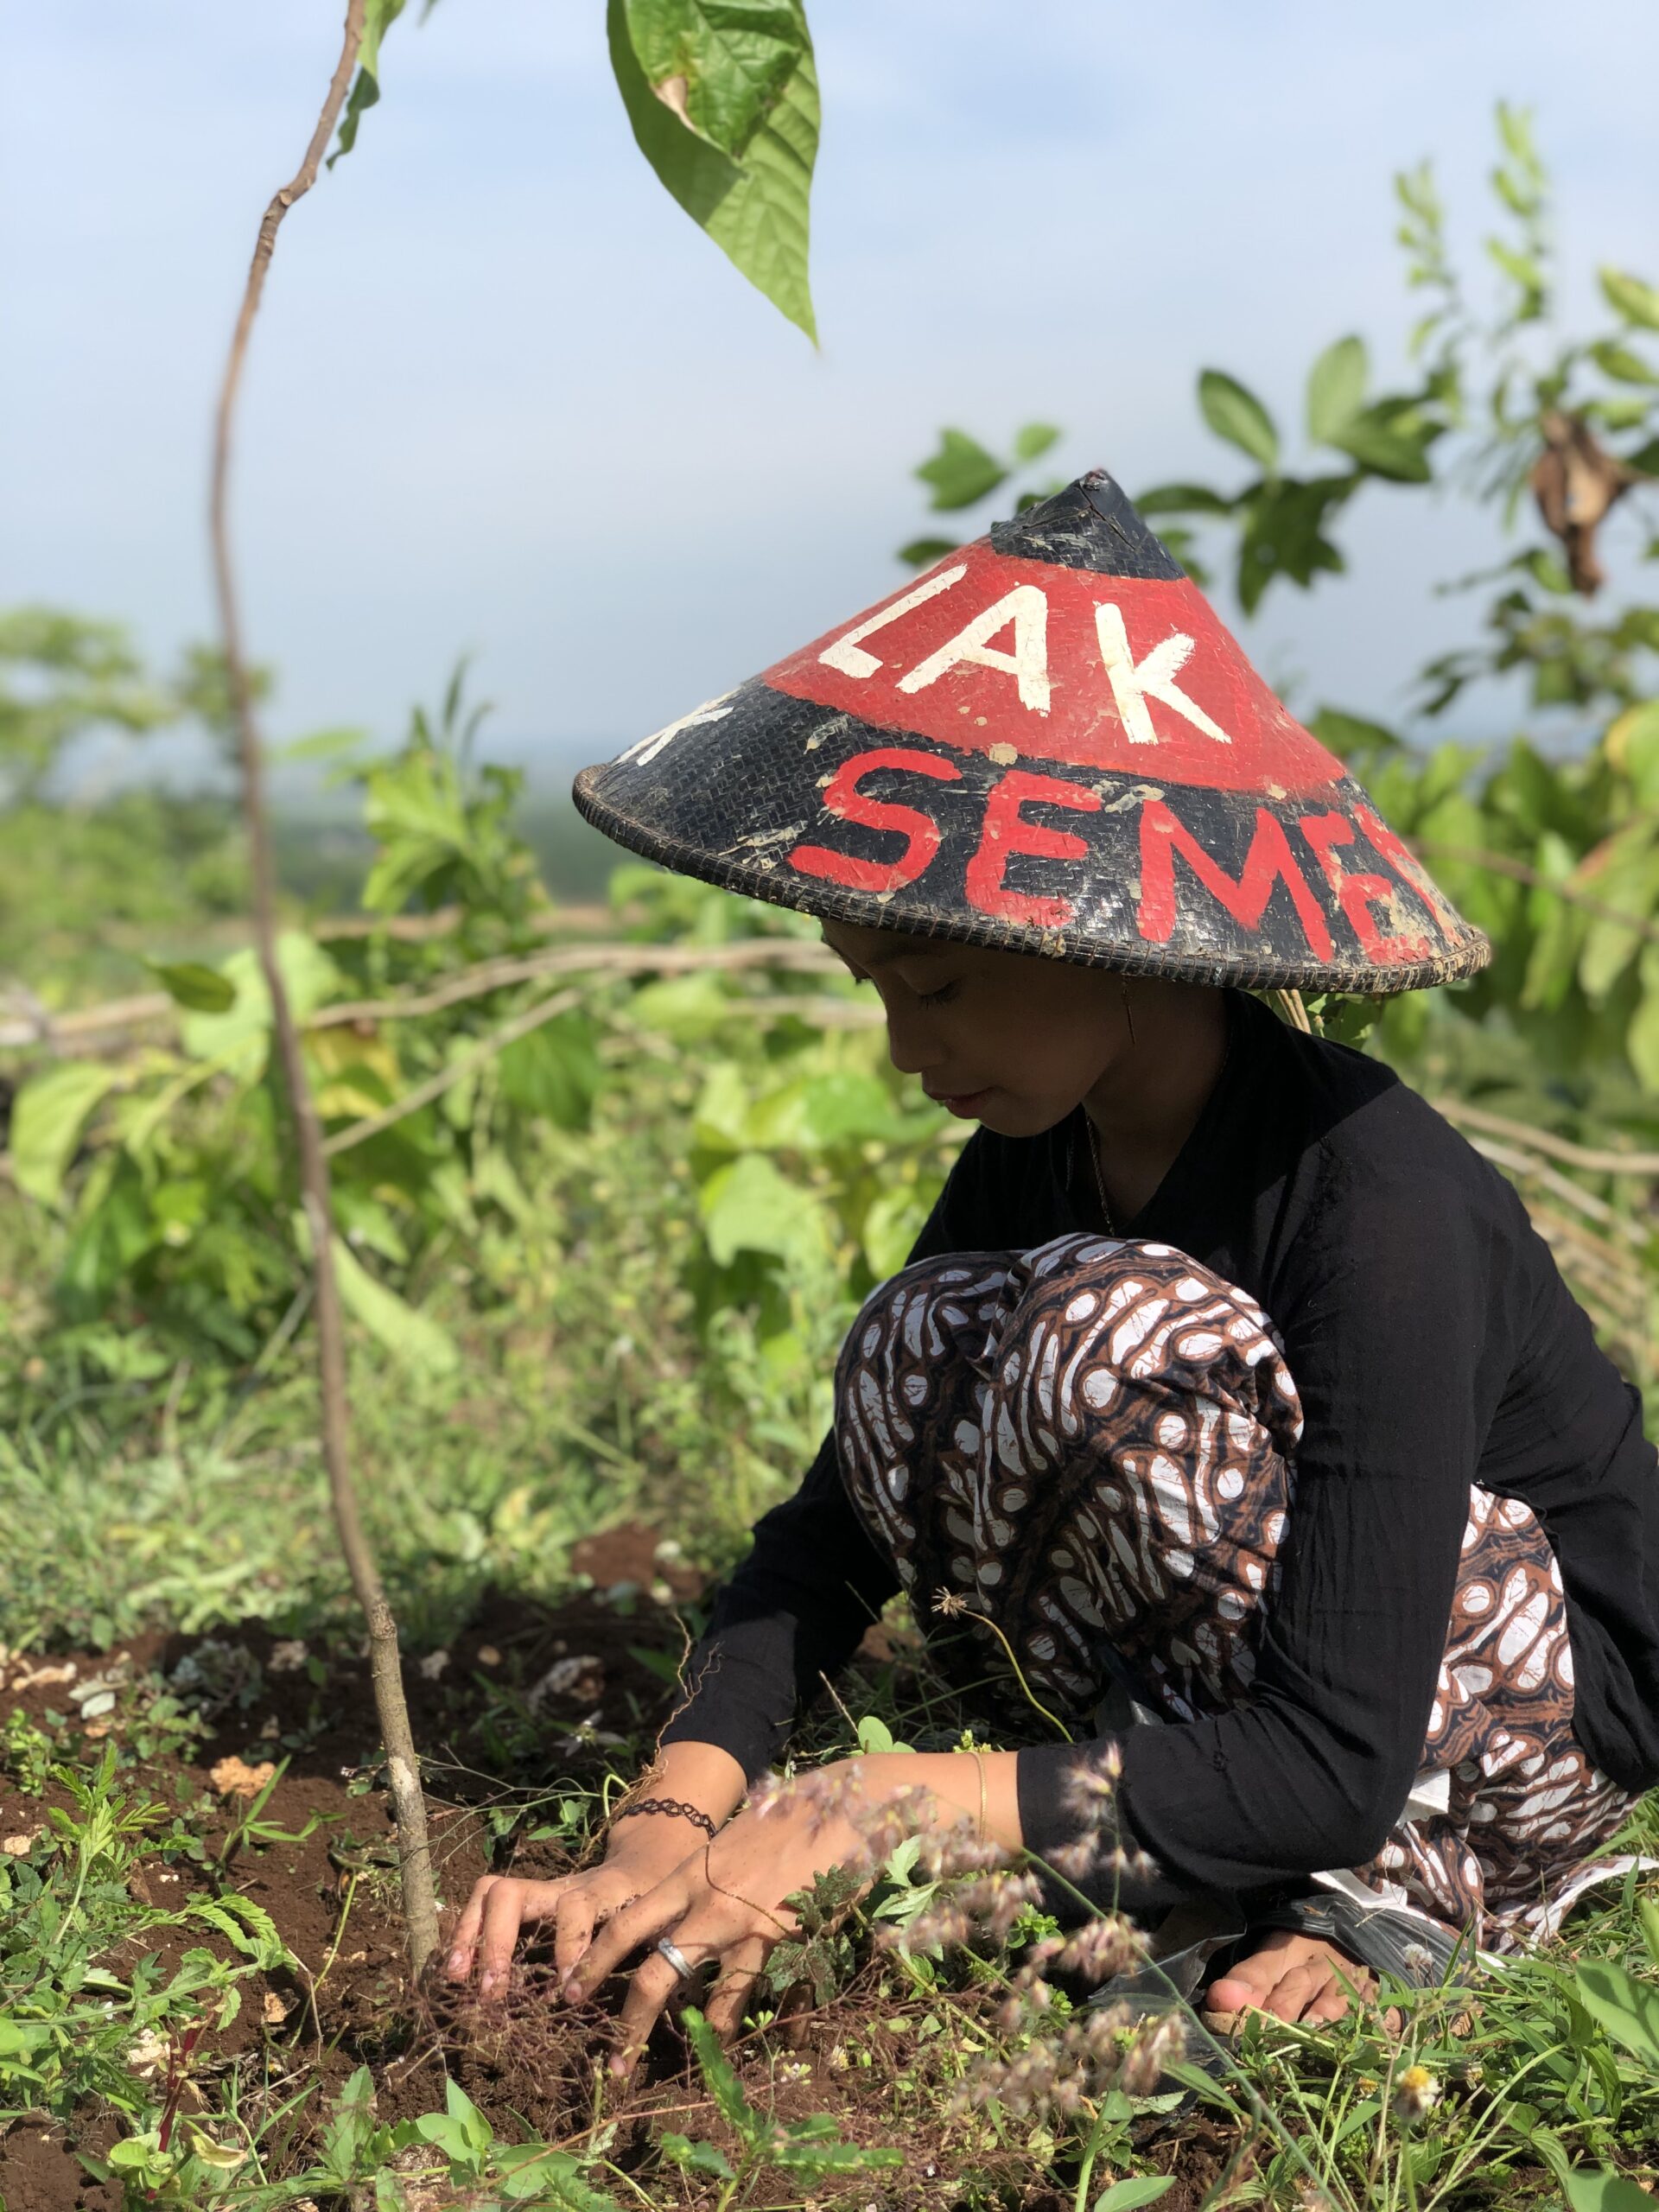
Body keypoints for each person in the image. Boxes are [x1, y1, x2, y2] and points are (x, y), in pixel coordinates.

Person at [446, 473, 1658, 2069]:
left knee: (1100, 1332)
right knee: (922, 1344)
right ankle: (1185, 1832)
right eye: (879, 988)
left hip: (1517, 1702)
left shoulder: (1377, 1201)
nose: (903, 1051)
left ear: (1101, 934)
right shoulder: (1042, 1142)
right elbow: (832, 1540)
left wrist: (891, 1795)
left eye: (938, 987)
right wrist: (670, 1816)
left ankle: (1392, 1903)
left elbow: (1335, 1753)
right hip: (1290, 1689)